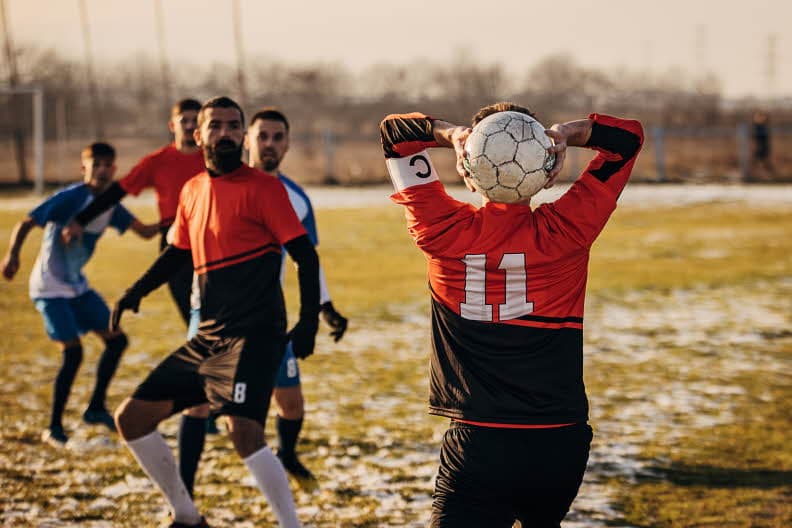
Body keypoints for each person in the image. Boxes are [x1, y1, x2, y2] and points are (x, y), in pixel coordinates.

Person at [379, 103, 643, 527]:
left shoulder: (439, 230)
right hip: (560, 439)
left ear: (467, 171)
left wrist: (449, 134)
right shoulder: (568, 231)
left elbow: (394, 135)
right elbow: (627, 141)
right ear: (550, 171)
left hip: (481, 441)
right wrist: (567, 134)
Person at [112, 96, 320, 528]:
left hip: (256, 335)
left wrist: (309, 321)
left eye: (233, 126)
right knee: (131, 419)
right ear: (197, 134)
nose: (225, 133)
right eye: (216, 126)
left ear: (241, 135)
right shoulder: (191, 191)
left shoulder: (264, 189)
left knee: (243, 433)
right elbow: (176, 253)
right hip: (209, 335)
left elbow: (305, 255)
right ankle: (187, 516)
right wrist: (136, 291)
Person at [177, 107, 348, 497]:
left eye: (278, 138)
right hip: (211, 314)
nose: (269, 144)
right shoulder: (215, 184)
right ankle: (183, 500)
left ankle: (287, 455)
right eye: (262, 136)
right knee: (198, 403)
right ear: (246, 139)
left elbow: (308, 261)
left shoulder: (297, 199)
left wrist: (325, 307)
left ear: (287, 144)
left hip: (265, 318)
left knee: (290, 403)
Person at [0, 142, 159, 446]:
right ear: (83, 168)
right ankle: (54, 426)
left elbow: (145, 232)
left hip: (78, 288)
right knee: (73, 353)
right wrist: (13, 256)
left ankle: (96, 408)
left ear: (114, 169)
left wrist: (177, 217)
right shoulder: (70, 198)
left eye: (107, 165)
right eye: (95, 164)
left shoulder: (112, 205)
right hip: (49, 288)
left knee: (118, 340)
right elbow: (26, 222)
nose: (101, 170)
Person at [62, 99, 205, 326]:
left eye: (195, 121)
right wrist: (81, 219)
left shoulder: (215, 159)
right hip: (175, 243)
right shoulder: (156, 162)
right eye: (183, 120)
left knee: (220, 315)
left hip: (213, 239)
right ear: (172, 126)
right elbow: (118, 191)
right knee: (194, 320)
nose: (189, 125)